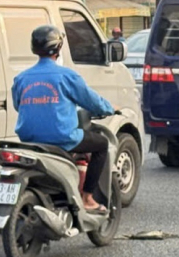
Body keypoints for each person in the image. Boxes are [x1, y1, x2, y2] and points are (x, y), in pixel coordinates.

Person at [12, 25, 115, 212]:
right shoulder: (67, 76)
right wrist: (109, 108)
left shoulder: (21, 78)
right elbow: (91, 101)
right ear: (58, 48)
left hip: (29, 140)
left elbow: (18, 105)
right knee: (101, 144)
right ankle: (88, 198)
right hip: (61, 138)